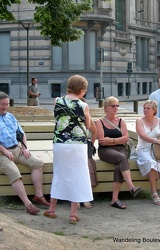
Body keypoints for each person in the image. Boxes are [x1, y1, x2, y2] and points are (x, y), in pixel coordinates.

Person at [44, 75, 93, 224]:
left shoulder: (57, 101)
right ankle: (73, 214)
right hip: (78, 144)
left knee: (59, 174)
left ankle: (52, 209)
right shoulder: (84, 106)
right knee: (77, 175)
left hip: (60, 143)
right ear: (82, 90)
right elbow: (89, 125)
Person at [0, 91, 50, 215]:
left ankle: (39, 196)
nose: (5, 107)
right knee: (14, 173)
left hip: (17, 149)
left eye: (7, 104)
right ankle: (28, 205)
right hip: (2, 154)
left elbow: (21, 134)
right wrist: (5, 151)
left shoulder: (10, 116)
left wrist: (24, 148)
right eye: (2, 104)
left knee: (37, 163)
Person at [95, 96, 141, 209]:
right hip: (105, 151)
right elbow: (102, 141)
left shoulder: (121, 121)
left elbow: (126, 138)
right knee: (121, 158)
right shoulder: (99, 122)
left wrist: (111, 140)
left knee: (118, 165)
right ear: (106, 108)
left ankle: (114, 200)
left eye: (117, 105)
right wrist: (115, 141)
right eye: (113, 106)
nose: (116, 108)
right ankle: (131, 186)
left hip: (120, 149)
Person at [136, 100, 160, 205]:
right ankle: (153, 191)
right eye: (144, 108)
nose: (145, 110)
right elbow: (143, 136)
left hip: (157, 148)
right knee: (151, 163)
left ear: (154, 110)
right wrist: (158, 141)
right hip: (143, 148)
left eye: (148, 108)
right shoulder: (139, 121)